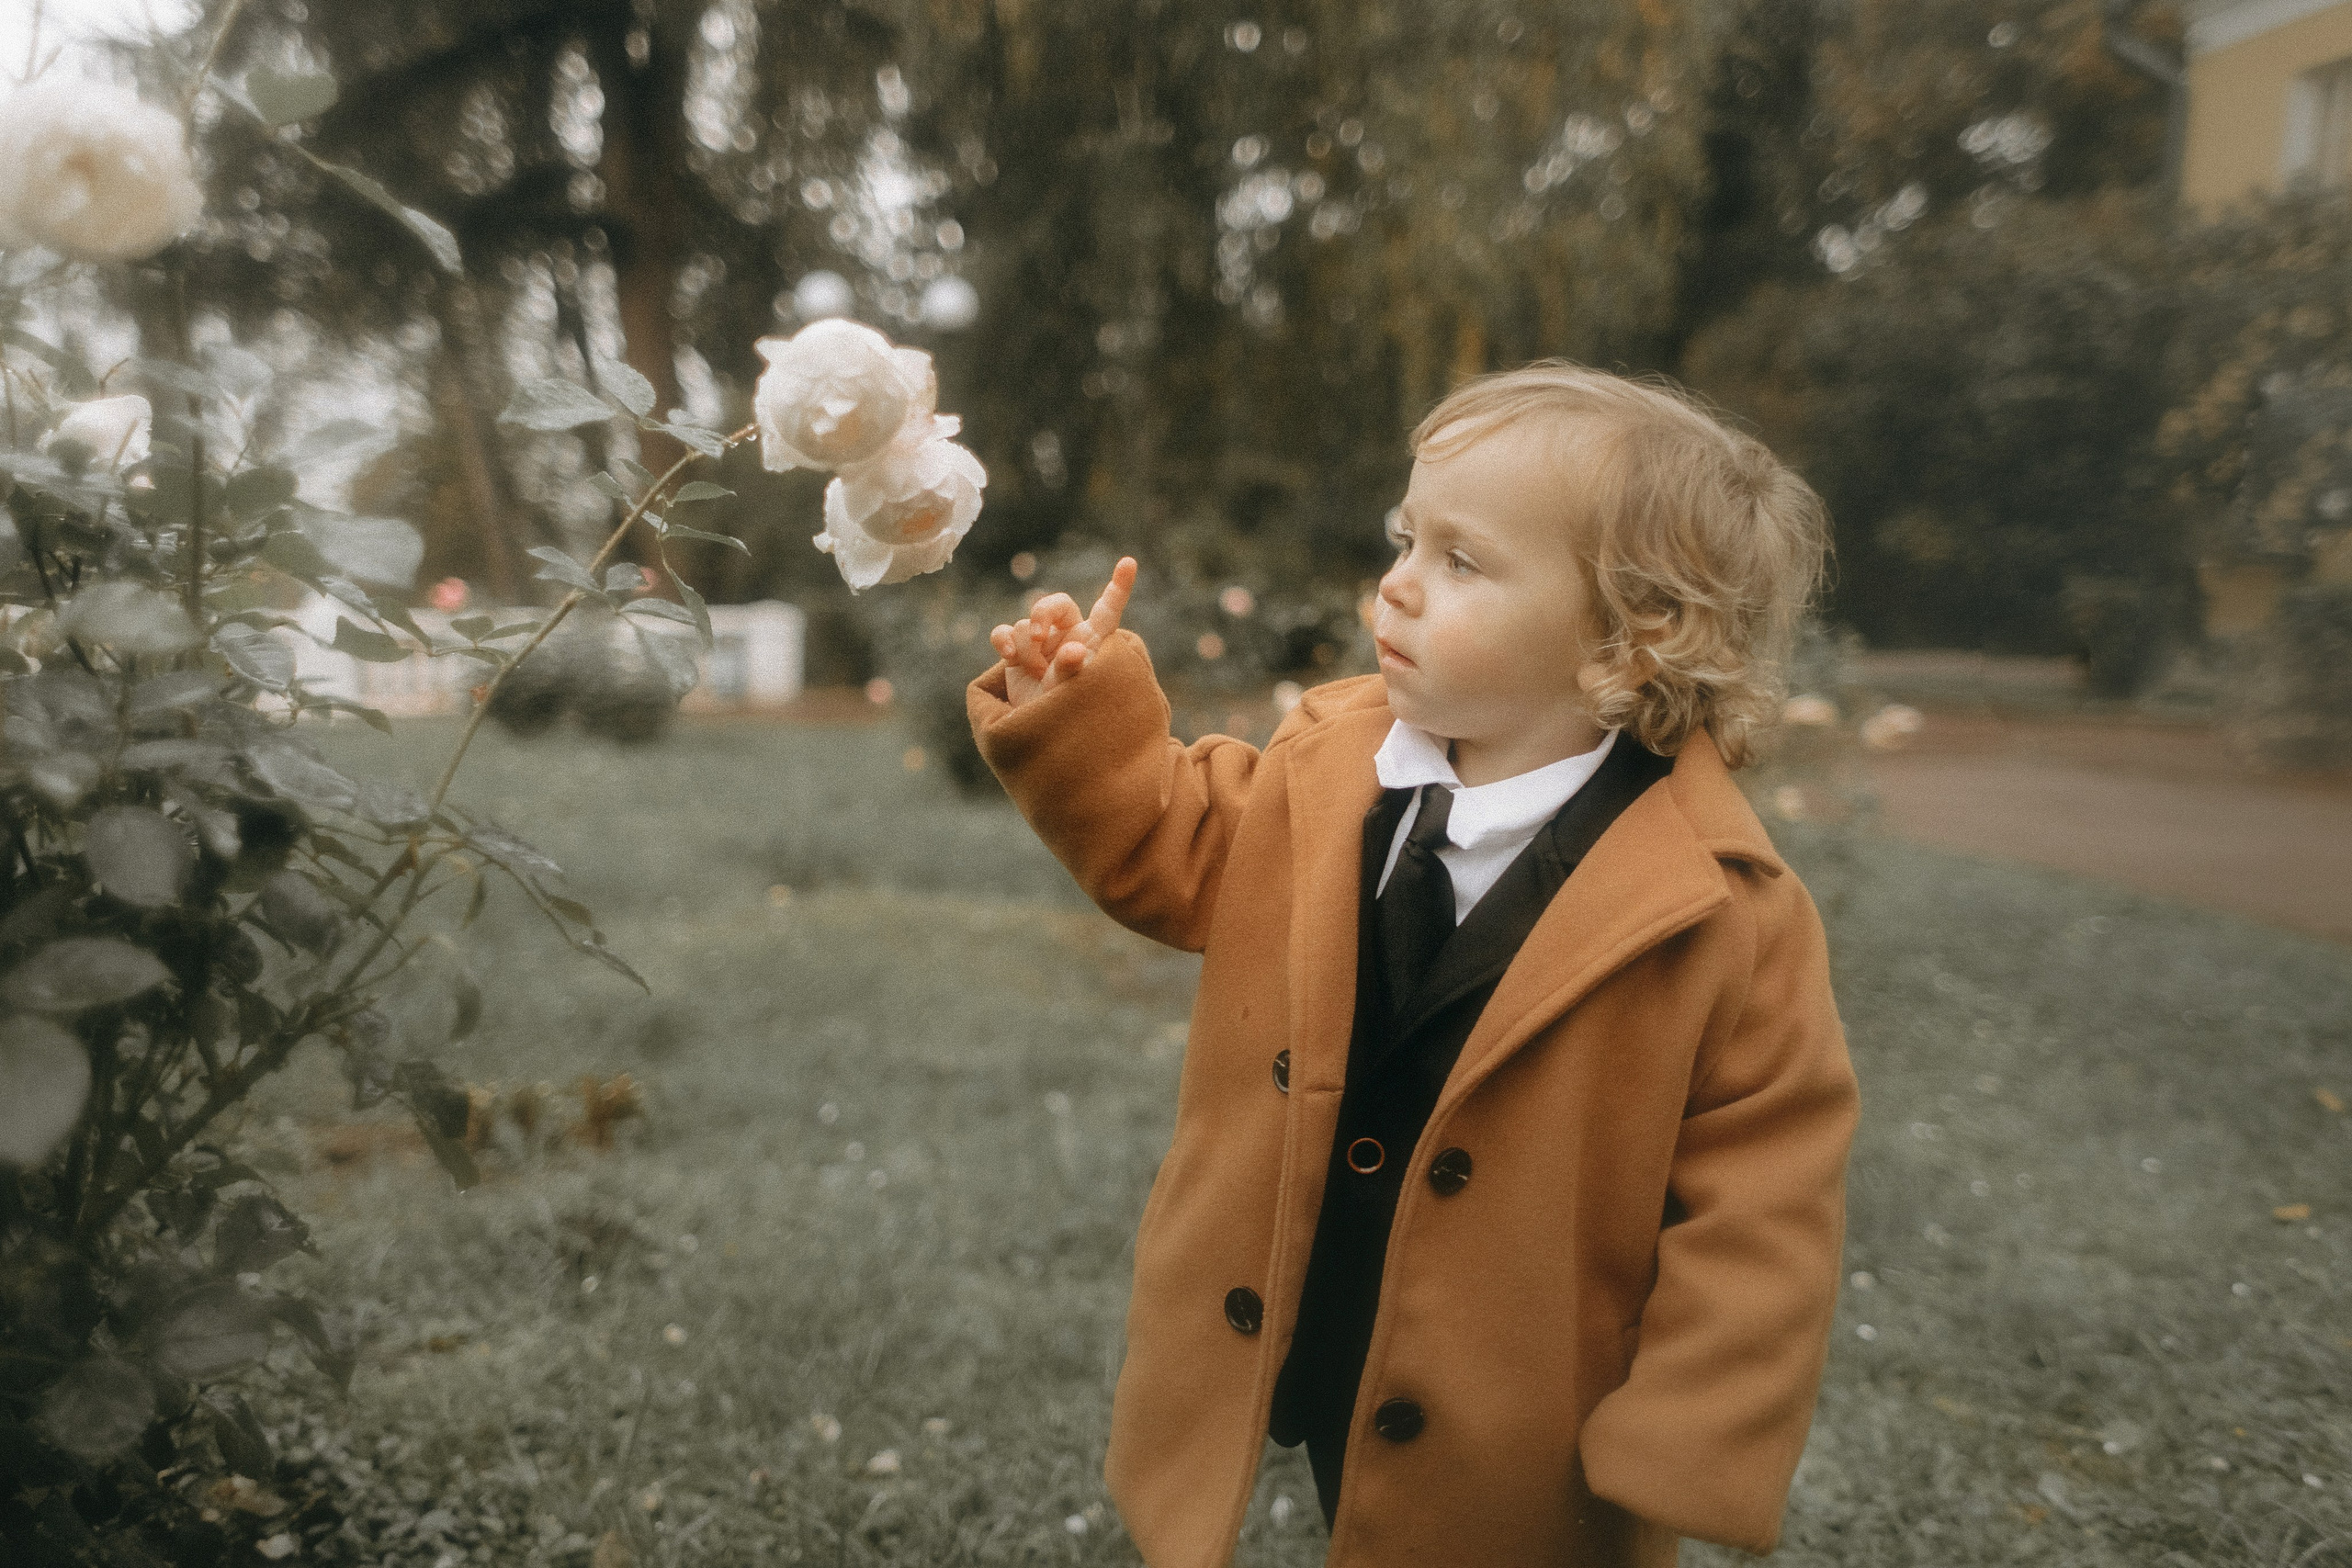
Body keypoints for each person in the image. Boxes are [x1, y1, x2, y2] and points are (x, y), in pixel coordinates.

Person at [967, 360, 1860, 1568]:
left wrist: (1689, 1434)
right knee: (1363, 1498)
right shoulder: (1327, 774)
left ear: (1629, 633)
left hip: (1522, 1406)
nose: (1394, 583)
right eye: (1405, 537)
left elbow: (1766, 1196)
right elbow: (1176, 846)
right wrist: (1073, 720)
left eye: (1462, 561)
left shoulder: (1720, 912)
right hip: (1315, 1309)